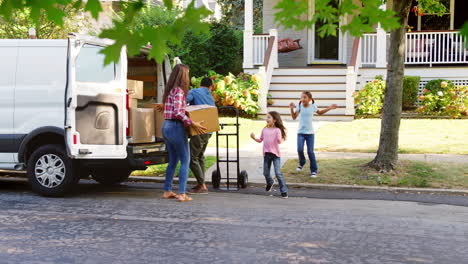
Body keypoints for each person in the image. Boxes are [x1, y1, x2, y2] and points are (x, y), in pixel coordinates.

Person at [160, 64, 206, 202]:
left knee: (173, 160)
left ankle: (167, 191)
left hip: (166, 126)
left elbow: (173, 109)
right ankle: (182, 193)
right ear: (183, 76)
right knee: (185, 160)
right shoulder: (179, 91)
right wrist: (192, 122)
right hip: (175, 127)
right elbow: (178, 112)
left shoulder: (170, 90)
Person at [289, 91, 337, 178]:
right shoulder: (299, 106)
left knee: (310, 152)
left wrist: (329, 108)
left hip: (310, 133)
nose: (302, 99)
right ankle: (302, 162)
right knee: (299, 149)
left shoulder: (313, 106)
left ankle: (314, 171)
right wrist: (291, 109)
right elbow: (294, 117)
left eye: (304, 97)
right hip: (300, 133)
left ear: (309, 99)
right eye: (301, 97)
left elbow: (320, 112)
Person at [186, 77, 216, 194]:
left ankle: (202, 185)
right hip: (209, 130)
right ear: (210, 86)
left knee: (191, 157)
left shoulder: (194, 91)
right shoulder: (210, 96)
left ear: (200, 84)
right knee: (200, 156)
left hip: (199, 129)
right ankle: (200, 184)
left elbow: (186, 102)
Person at [250, 111, 289, 199]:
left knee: (278, 173)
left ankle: (284, 191)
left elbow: (279, 140)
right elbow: (260, 140)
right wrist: (253, 138)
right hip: (267, 154)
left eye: (269, 117)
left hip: (275, 155)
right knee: (265, 173)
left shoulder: (277, 130)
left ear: (274, 120)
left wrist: (281, 140)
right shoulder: (264, 130)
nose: (266, 119)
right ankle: (270, 182)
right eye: (266, 117)